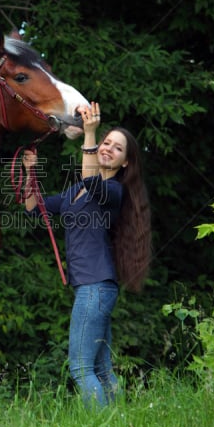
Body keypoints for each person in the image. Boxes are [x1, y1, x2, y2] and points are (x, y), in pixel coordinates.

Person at [22, 101, 151, 407]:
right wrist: (31, 172)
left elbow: (94, 181)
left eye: (117, 149)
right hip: (95, 288)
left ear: (125, 164)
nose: (108, 149)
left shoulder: (113, 192)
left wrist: (90, 133)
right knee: (102, 369)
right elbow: (33, 208)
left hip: (95, 288)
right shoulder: (75, 191)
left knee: (81, 369)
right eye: (107, 142)